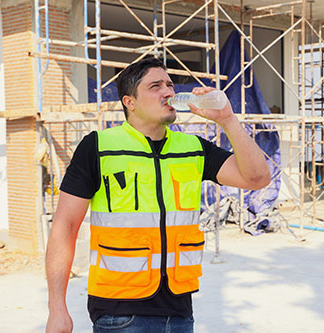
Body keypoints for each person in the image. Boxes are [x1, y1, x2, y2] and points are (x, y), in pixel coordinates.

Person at [45, 57, 270, 333]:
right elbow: (64, 227)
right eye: (156, 86)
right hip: (119, 313)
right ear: (130, 102)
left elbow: (258, 178)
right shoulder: (99, 147)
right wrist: (57, 308)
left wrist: (227, 119)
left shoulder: (193, 148)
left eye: (170, 84)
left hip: (178, 313)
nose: (168, 92)